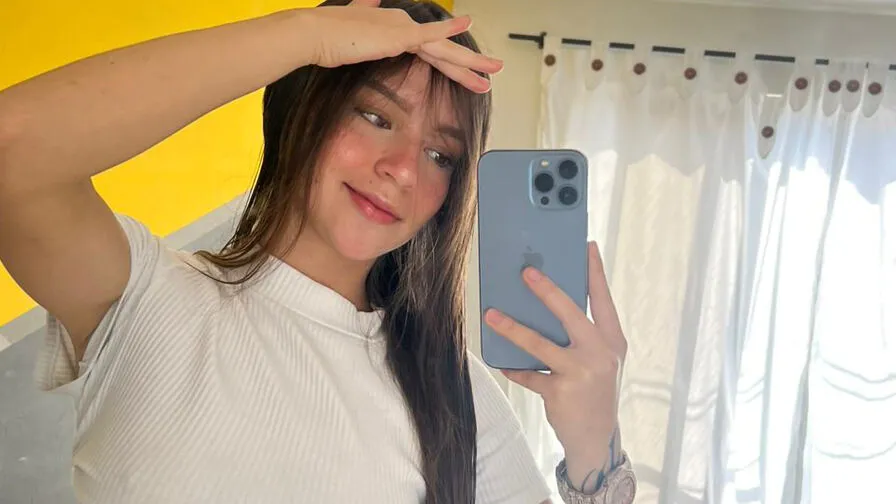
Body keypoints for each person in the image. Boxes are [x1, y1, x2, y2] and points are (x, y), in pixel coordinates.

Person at [0, 0, 636, 502]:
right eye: (376, 117)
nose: (403, 170)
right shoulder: (144, 297)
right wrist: (304, 36)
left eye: (440, 154)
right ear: (305, 110)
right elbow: (13, 148)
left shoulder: (459, 393)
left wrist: (595, 458)